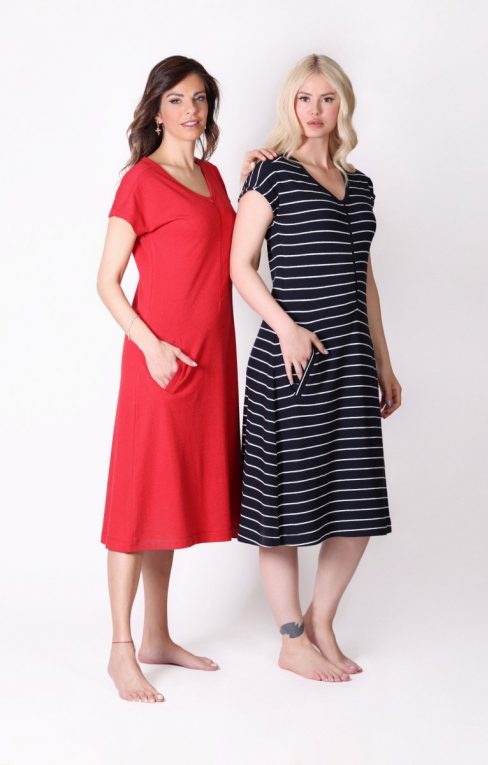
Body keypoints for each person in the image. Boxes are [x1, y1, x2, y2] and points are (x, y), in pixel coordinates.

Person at [97, 55, 276, 703]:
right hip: (160, 361)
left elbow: (232, 258)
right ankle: (121, 650)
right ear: (155, 109)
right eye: (176, 99)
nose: (190, 110)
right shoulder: (140, 182)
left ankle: (157, 636)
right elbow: (107, 282)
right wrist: (151, 347)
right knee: (136, 499)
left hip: (210, 360)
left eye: (199, 98)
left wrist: (255, 181)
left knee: (167, 497)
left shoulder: (213, 176)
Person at [230, 53, 402, 683]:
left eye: (328, 98)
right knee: (283, 504)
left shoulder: (361, 185)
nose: (316, 110)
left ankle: (321, 621)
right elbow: (240, 265)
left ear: (343, 106)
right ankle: (291, 639)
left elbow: (364, 278)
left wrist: (384, 361)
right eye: (305, 98)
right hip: (292, 359)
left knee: (356, 501)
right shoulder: (270, 175)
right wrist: (286, 328)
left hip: (351, 360)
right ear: (290, 105)